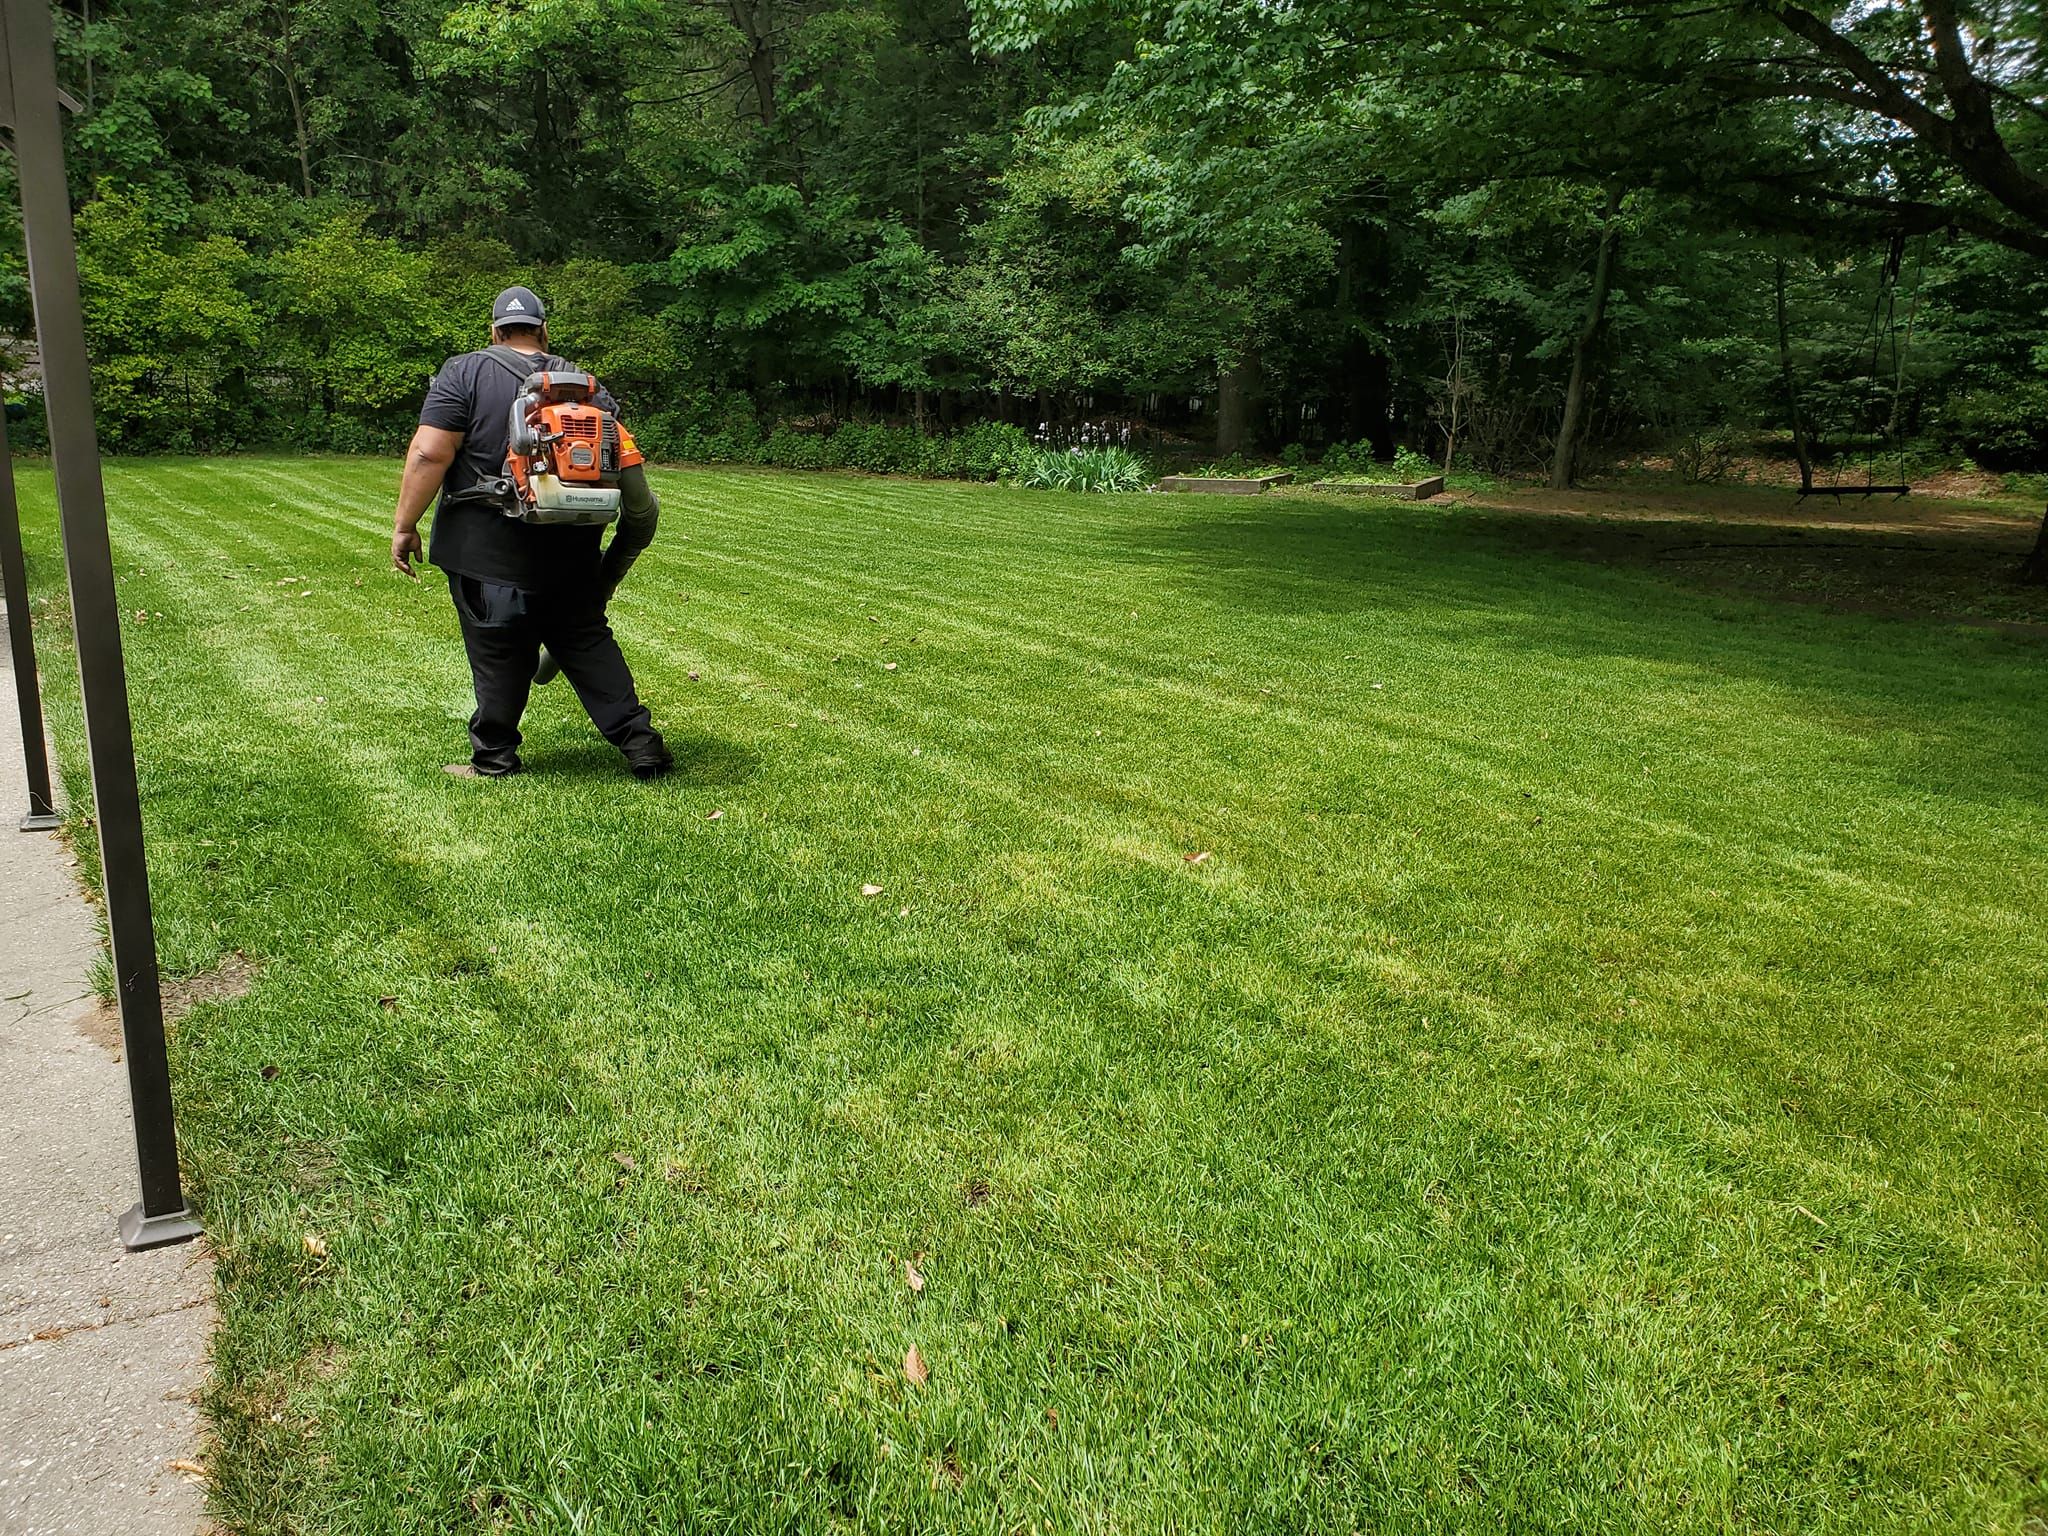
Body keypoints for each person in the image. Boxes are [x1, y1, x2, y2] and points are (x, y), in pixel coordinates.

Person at [391, 286, 671, 780]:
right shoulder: (587, 388)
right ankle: (642, 743)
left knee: (498, 650)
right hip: (573, 547)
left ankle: (494, 757)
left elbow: (429, 453)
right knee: (585, 641)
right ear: (543, 330)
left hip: (486, 553)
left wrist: (405, 525)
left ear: (494, 331)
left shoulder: (464, 373)